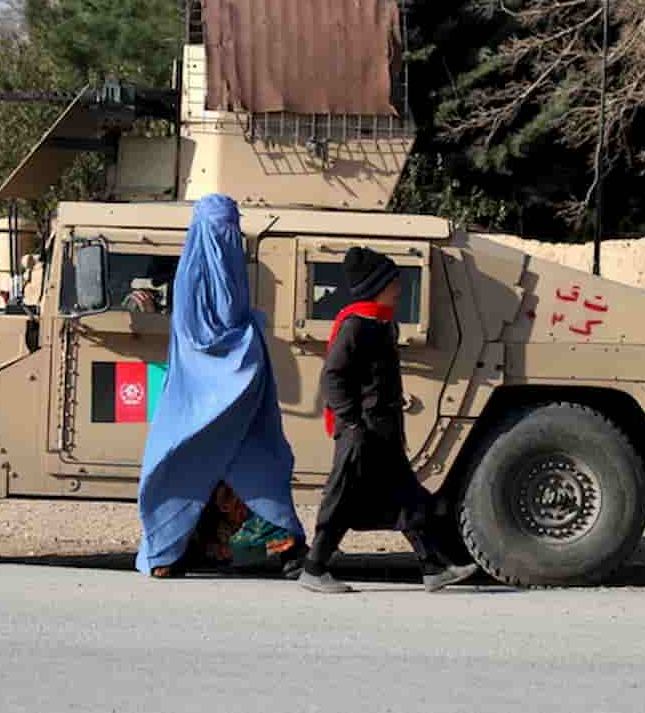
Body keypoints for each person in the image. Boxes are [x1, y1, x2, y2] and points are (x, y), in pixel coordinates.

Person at [135, 194, 307, 578]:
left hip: (236, 399)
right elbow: (206, 339)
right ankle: (167, 552)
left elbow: (228, 324)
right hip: (204, 394)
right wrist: (249, 344)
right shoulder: (194, 279)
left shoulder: (212, 271)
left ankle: (289, 551)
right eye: (221, 230)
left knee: (257, 470)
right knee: (187, 468)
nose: (226, 239)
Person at [300, 245, 480, 593]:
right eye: (393, 280)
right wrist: (352, 422)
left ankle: (432, 568)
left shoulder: (382, 323)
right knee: (343, 499)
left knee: (407, 496)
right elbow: (333, 377)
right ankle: (313, 568)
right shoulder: (357, 325)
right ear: (376, 286)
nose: (399, 287)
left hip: (382, 430)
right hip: (361, 432)